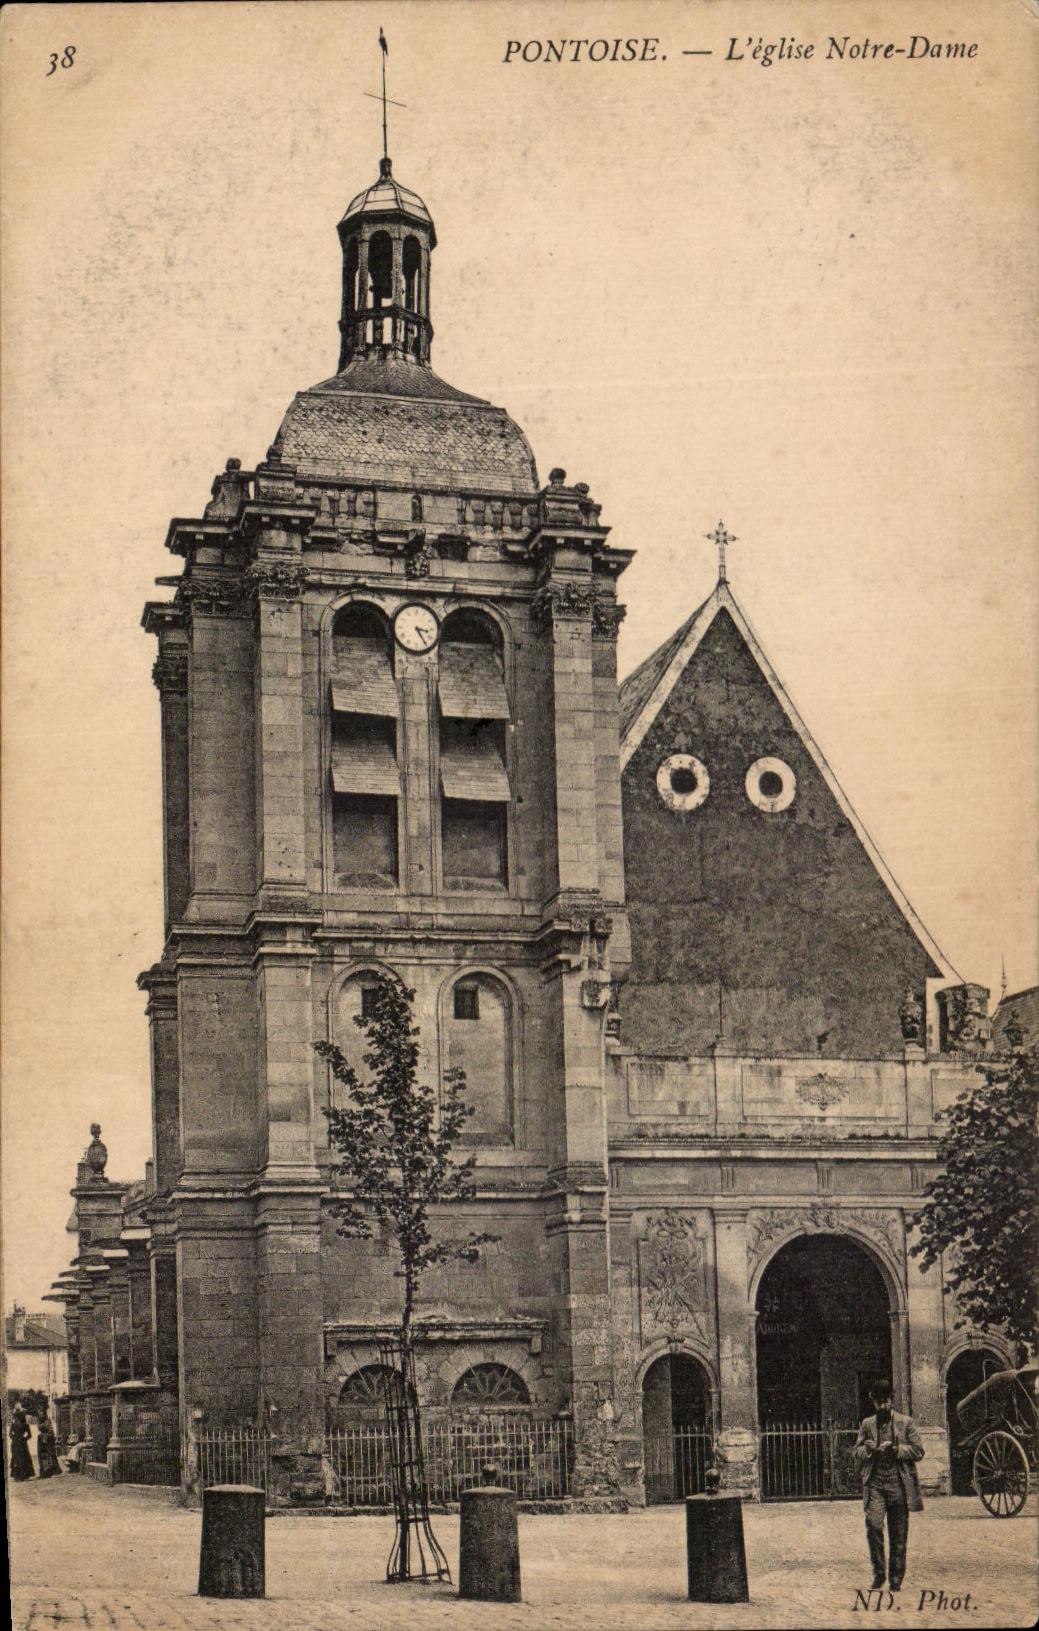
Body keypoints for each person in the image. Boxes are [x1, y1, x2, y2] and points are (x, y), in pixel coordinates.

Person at [852, 1380, 924, 1592]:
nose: (882, 1407)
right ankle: (879, 1573)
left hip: (899, 1485)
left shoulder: (906, 1423)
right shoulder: (867, 1424)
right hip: (875, 1485)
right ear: (873, 1402)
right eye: (878, 1403)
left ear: (892, 1400)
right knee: (873, 1525)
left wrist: (897, 1450)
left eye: (886, 1402)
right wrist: (869, 1450)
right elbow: (856, 1452)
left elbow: (919, 1451)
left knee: (898, 1533)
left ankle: (896, 1579)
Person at [8, 1405, 35, 1481]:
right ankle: (22, 1475)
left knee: (19, 1458)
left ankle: (19, 1475)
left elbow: (10, 1434)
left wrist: (16, 1438)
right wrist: (23, 1438)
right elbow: (29, 1435)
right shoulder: (22, 1425)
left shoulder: (21, 1425)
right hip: (19, 1443)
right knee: (20, 1458)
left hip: (18, 1443)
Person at [36, 1411, 61, 1478]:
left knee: (47, 1455)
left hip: (46, 1440)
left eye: (41, 1414)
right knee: (43, 1456)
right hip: (42, 1439)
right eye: (39, 1414)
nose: (40, 1416)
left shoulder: (47, 1422)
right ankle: (45, 1471)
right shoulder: (42, 1422)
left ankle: (47, 1472)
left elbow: (50, 1432)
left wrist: (45, 1437)